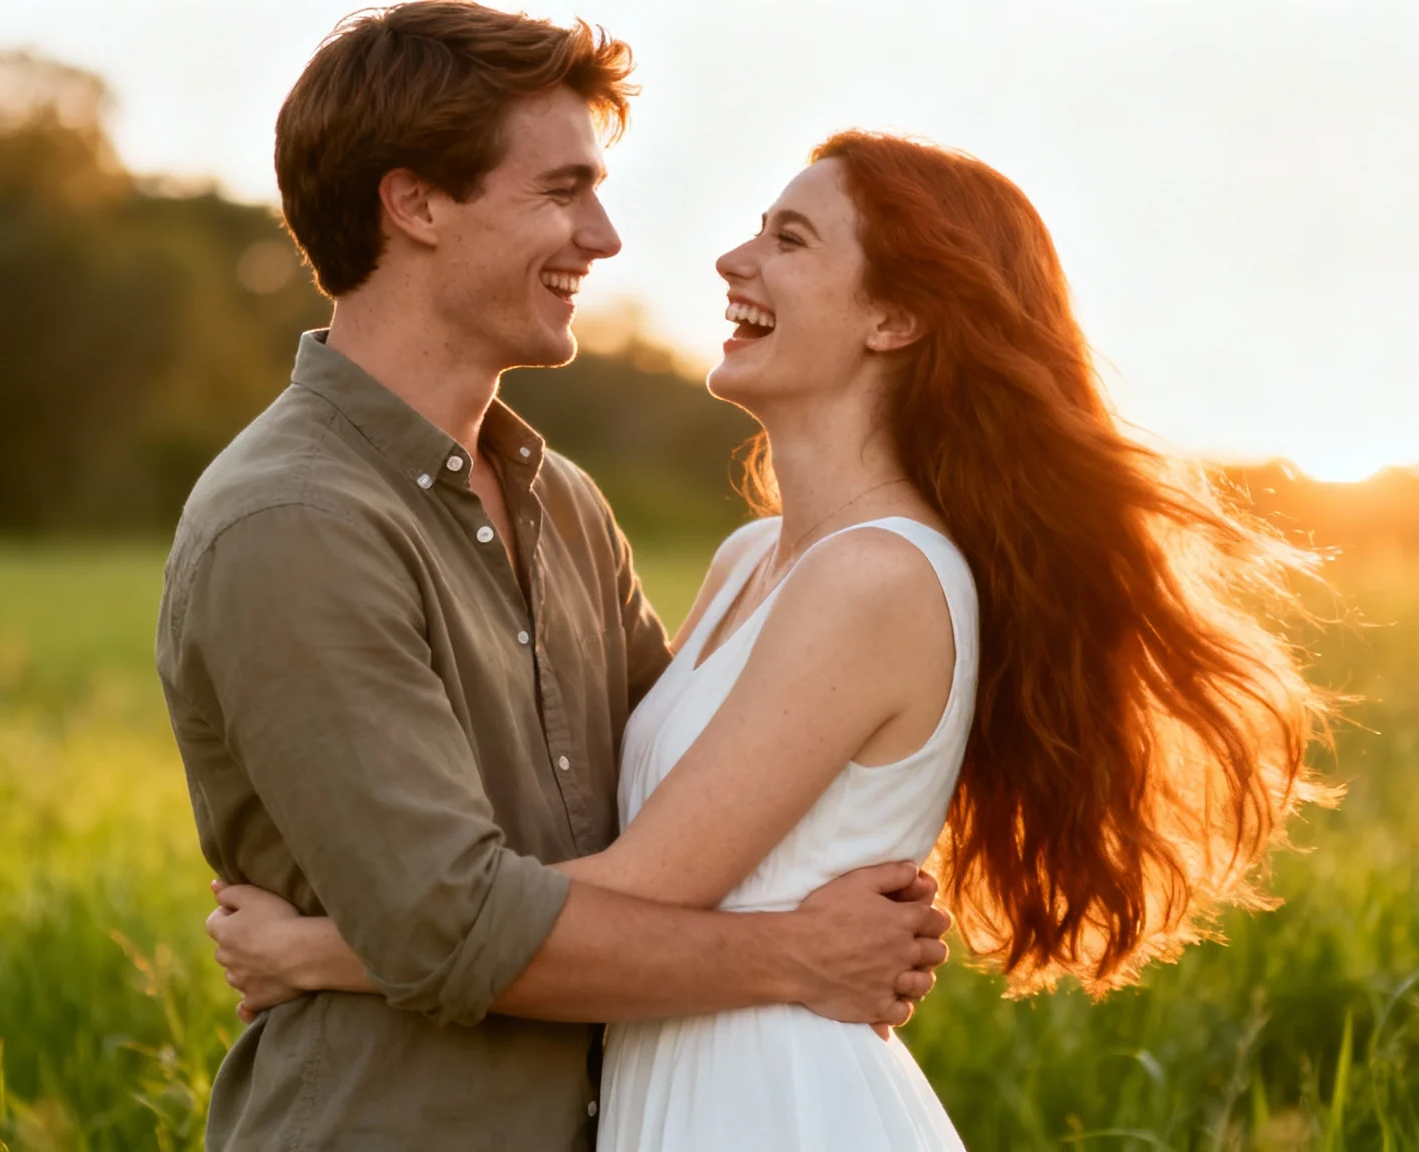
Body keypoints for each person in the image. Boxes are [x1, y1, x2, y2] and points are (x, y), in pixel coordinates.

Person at [207, 130, 1335, 1149]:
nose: (730, 262)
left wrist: (319, 954)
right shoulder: (757, 560)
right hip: (667, 1072)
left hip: (767, 1097)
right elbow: (619, 808)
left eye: (787, 239)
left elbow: (638, 889)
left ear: (892, 318)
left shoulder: (878, 580)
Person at [156, 6, 951, 1151]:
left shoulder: (559, 501)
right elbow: (453, 927)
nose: (606, 235)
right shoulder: (295, 523)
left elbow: (681, 820)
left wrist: (323, 949)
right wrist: (798, 956)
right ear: (415, 202)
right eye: (560, 190)